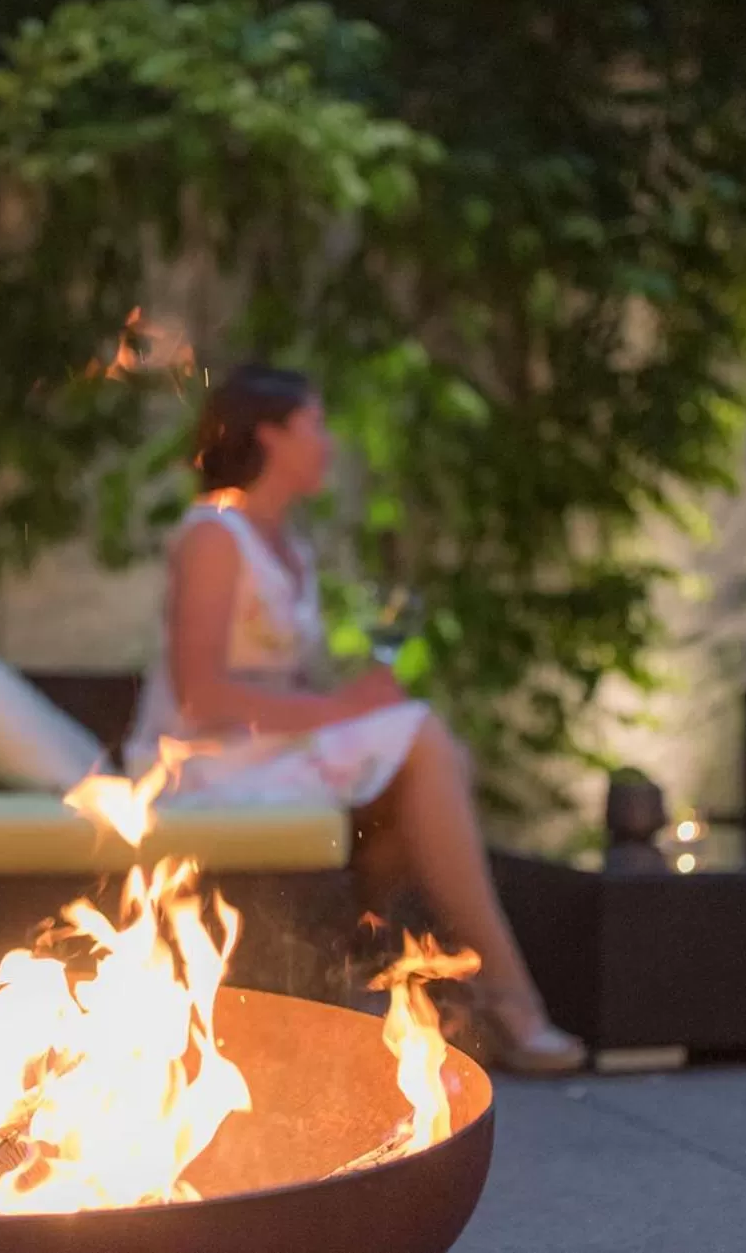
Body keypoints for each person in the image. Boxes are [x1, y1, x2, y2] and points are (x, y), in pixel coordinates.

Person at [124, 363, 585, 1074]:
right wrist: (343, 711)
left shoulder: (290, 547)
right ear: (270, 434)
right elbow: (201, 695)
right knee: (424, 739)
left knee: (429, 755)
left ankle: (356, 971)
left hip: (265, 754)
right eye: (316, 424)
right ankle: (505, 996)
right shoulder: (214, 534)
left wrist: (356, 701)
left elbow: (290, 684)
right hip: (198, 763)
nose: (330, 442)